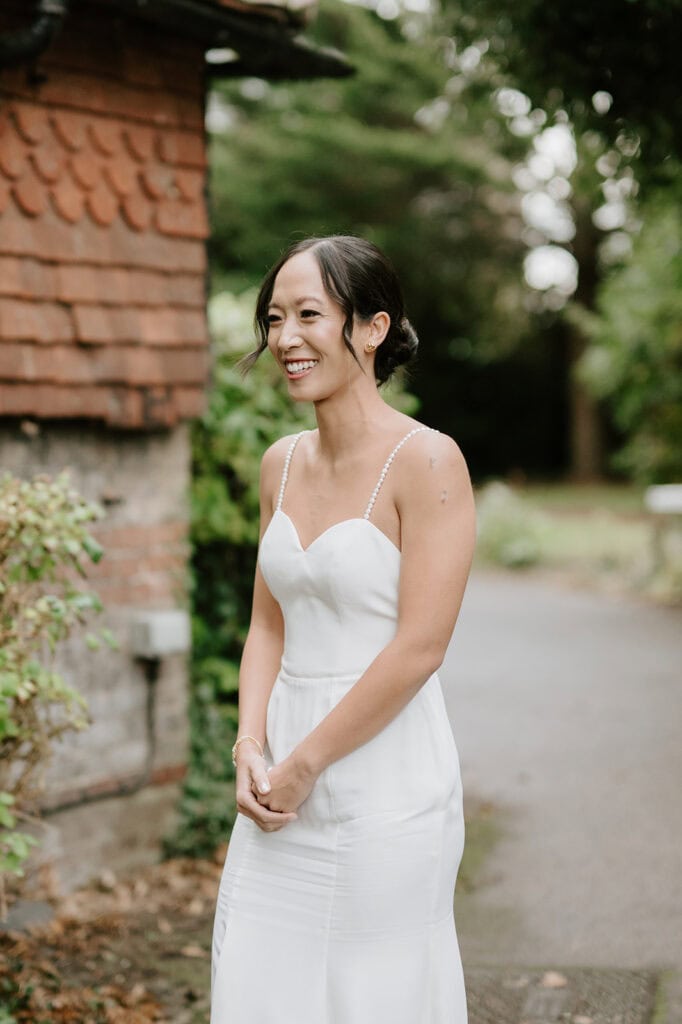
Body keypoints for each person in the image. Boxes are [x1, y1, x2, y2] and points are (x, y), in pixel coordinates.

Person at [210, 235, 476, 1023]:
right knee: (262, 981)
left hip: (385, 776)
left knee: (375, 994)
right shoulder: (279, 463)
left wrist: (309, 762)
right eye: (274, 317)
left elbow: (421, 647)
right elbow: (267, 626)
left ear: (371, 327)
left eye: (308, 315)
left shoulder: (428, 461)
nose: (285, 338)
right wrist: (251, 748)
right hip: (277, 776)